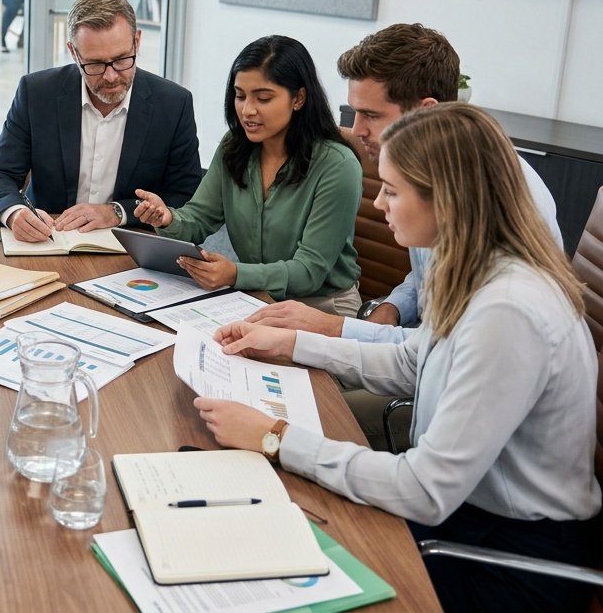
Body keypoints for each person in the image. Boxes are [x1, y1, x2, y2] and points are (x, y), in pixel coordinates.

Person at [197, 103, 600, 613]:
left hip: (505, 554)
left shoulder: (509, 311)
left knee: (279, 560)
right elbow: (415, 362)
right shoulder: (478, 269)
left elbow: (424, 490)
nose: (379, 204)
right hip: (467, 513)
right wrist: (290, 343)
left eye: (392, 190)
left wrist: (273, 437)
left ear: (447, 200)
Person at [245, 23, 561, 340]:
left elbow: (438, 352)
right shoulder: (437, 170)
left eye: (372, 115)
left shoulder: (491, 202)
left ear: (426, 113)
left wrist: (332, 329)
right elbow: (428, 275)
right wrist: (393, 307)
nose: (356, 131)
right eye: (355, 112)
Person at [135, 35, 362, 312]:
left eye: (263, 98)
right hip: (252, 295)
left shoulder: (337, 165)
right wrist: (169, 218)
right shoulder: (235, 146)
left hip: (321, 305)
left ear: (299, 98)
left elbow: (309, 271)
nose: (247, 110)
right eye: (240, 96)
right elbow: (199, 218)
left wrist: (236, 274)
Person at [0, 0, 202, 242]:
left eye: (121, 60)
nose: (111, 76)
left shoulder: (173, 104)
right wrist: (15, 214)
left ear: (137, 42)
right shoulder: (37, 93)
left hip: (131, 247)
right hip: (48, 243)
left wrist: (118, 212)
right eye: (94, 64)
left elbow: (186, 198)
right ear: (73, 52)